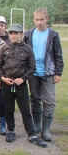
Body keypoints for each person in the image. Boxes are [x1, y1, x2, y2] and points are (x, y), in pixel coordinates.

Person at [0, 24, 47, 147]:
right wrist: (3, 78)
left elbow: (32, 67)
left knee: (25, 110)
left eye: (16, 33)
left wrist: (23, 78)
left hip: (20, 84)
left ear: (21, 35)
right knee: (9, 108)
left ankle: (31, 134)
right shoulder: (4, 48)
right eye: (11, 33)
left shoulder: (27, 49)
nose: (13, 35)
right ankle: (11, 130)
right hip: (7, 82)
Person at [24, 8, 64, 142]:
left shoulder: (53, 34)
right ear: (33, 20)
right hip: (33, 72)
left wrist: (58, 72)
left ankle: (46, 129)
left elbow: (58, 55)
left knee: (49, 101)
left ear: (47, 19)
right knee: (35, 98)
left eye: (42, 19)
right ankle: (37, 125)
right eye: (37, 20)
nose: (39, 22)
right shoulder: (29, 34)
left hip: (48, 73)